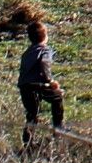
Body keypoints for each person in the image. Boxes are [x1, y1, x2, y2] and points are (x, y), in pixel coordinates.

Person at [15, 11, 64, 141]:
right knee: (57, 97)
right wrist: (50, 81)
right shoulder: (45, 50)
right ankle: (58, 130)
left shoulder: (26, 53)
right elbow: (44, 63)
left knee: (32, 114)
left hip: (24, 86)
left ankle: (28, 140)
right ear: (45, 37)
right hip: (38, 85)